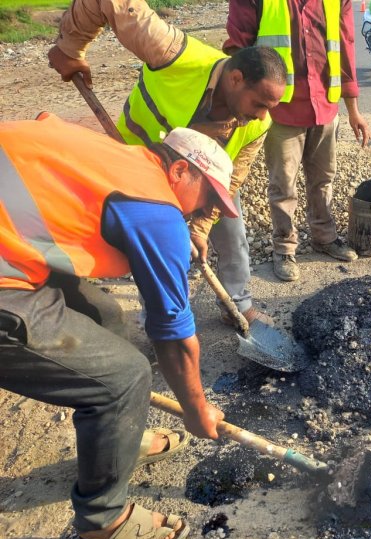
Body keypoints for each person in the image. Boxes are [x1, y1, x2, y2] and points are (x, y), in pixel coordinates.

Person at [0, 114, 231, 539]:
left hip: (13, 245)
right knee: (123, 377)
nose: (204, 214)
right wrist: (196, 409)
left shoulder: (123, 160)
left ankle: (119, 437)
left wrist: (172, 232)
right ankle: (103, 522)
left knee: (106, 316)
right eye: (206, 201)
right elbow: (175, 336)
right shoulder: (157, 212)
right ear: (180, 170)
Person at [48, 0, 287, 327]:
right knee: (152, 244)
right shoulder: (174, 53)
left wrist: (201, 228)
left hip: (201, 178)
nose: (262, 115)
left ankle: (238, 302)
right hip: (137, 168)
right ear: (235, 78)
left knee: (232, 229)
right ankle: (161, 319)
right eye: (259, 103)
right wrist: (71, 49)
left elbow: (231, 183)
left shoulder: (258, 124)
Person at [225, 0, 371, 282]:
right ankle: (284, 248)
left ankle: (324, 237)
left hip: (324, 107)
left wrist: (353, 110)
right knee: (283, 185)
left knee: (324, 179)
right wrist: (239, 109)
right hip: (280, 110)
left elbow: (345, 47)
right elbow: (238, 50)